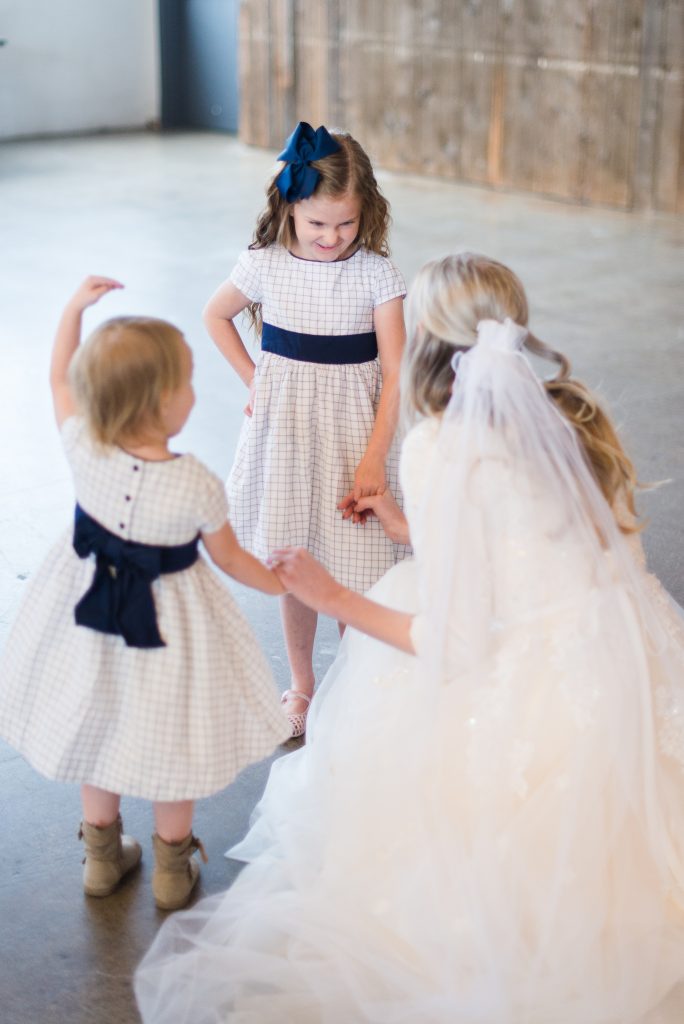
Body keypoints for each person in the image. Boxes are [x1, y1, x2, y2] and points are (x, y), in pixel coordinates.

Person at [135, 253, 684, 1021]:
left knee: (396, 631)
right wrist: (406, 524)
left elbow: (455, 641)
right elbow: (533, 547)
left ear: (423, 342)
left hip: (530, 681)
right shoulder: (573, 415)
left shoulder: (438, 448)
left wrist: (330, 595)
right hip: (624, 660)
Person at [0, 276, 290, 913]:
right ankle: (171, 871)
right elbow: (231, 559)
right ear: (163, 403)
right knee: (171, 743)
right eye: (188, 382)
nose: (196, 392)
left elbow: (58, 381)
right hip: (170, 630)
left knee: (98, 728)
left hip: (87, 618)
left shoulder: (83, 445)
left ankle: (102, 861)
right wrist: (284, 580)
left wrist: (73, 308)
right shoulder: (195, 483)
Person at [203, 121, 409, 737]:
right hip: (288, 440)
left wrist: (374, 458)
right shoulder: (264, 264)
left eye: (346, 224)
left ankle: (357, 688)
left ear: (366, 213)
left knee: (356, 567)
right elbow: (215, 316)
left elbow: (397, 373)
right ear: (290, 206)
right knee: (297, 565)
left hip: (354, 443)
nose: (331, 237)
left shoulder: (376, 275)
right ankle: (302, 685)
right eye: (317, 222)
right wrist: (255, 380)